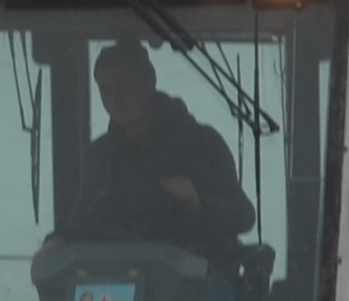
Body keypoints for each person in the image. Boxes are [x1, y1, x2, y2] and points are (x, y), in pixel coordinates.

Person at [54, 39, 256, 268]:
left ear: (149, 83)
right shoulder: (99, 156)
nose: (114, 99)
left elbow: (243, 215)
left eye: (124, 86)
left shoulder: (199, 143)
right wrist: (58, 241)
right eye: (105, 89)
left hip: (196, 283)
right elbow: (80, 226)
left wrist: (198, 205)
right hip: (114, 280)